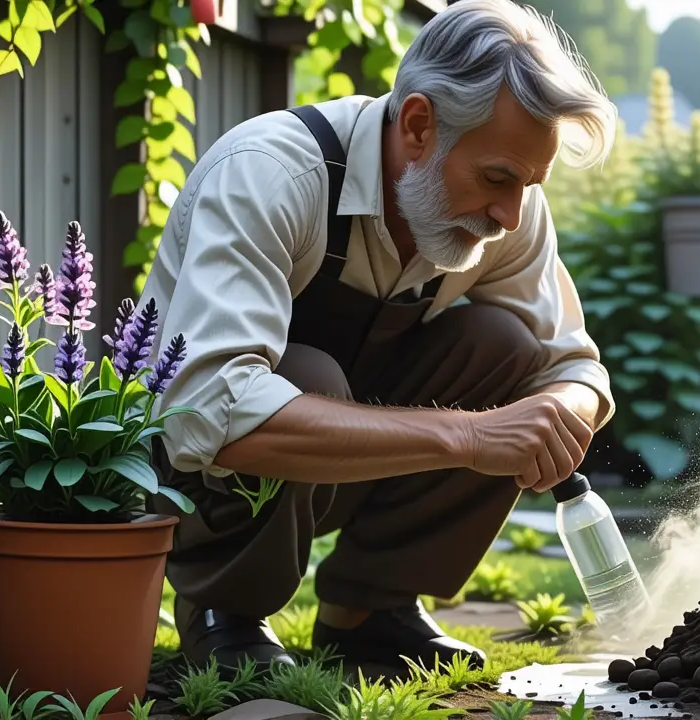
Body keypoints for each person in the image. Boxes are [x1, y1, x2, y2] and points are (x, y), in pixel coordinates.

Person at [139, 0, 619, 676]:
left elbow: (577, 368)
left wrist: (554, 414)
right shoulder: (271, 174)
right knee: (307, 377)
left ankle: (370, 609)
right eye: (497, 179)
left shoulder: (509, 212)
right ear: (420, 124)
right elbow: (208, 416)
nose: (510, 216)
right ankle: (227, 609)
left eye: (529, 185)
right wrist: (472, 437)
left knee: (507, 349)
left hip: (348, 465)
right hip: (192, 482)